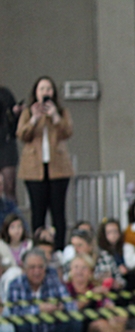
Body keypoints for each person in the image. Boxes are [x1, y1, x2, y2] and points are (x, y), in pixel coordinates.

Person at [7, 248, 83, 332]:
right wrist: (39, 309)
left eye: (40, 267)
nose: (37, 272)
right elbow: (14, 313)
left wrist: (60, 308)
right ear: (24, 269)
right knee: (21, 327)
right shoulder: (15, 284)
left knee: (75, 322)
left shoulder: (53, 280)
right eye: (32, 267)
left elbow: (71, 305)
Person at [17, 76, 74, 249]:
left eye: (48, 89)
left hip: (58, 168)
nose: (45, 92)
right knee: (37, 211)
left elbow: (67, 132)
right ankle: (38, 247)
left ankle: (59, 248)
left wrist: (55, 116)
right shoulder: (28, 112)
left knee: (58, 212)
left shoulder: (62, 112)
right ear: (36, 92)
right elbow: (21, 135)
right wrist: (34, 118)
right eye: (42, 89)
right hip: (34, 169)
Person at [0, 84, 21, 203]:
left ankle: (12, 219)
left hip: (6, 144)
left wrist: (16, 114)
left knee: (9, 186)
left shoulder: (5, 94)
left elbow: (15, 128)